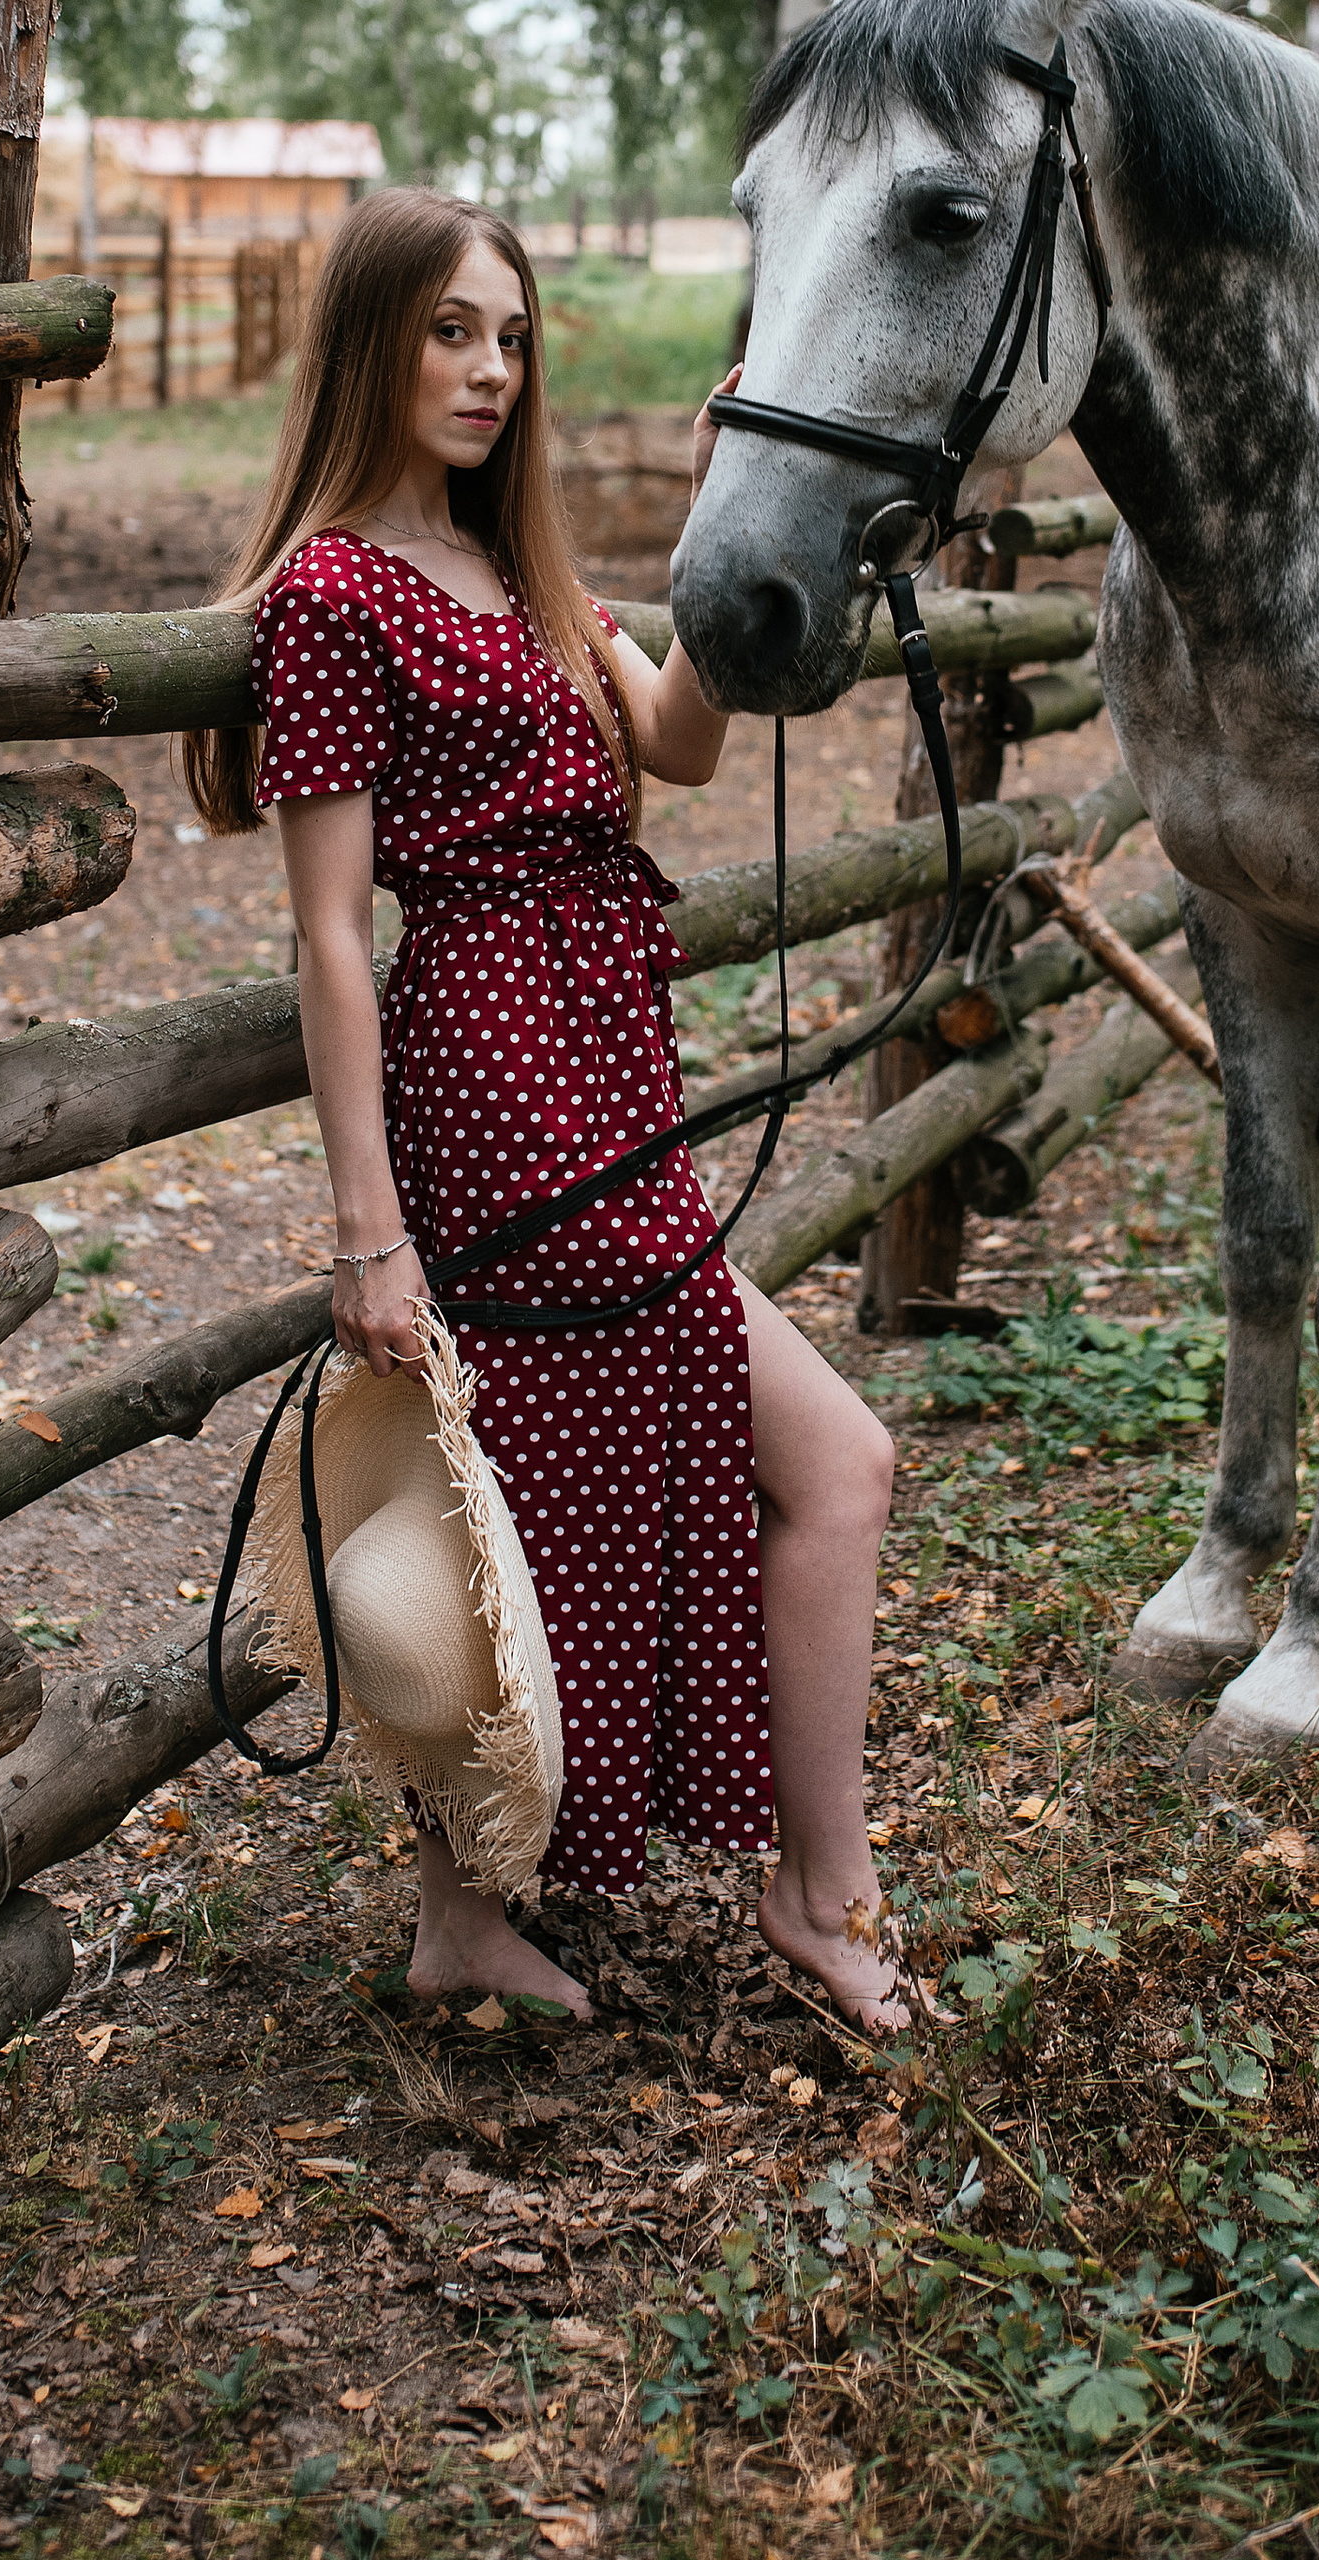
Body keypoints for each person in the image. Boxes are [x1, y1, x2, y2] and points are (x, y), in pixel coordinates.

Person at [184, 187, 908, 2032]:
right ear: (369, 343)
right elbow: (330, 937)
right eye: (449, 331)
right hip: (497, 1079)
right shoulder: (338, 596)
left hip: (609, 1061)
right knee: (573, 1478)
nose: (489, 369)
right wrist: (369, 1231)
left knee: (667, 1471)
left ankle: (689, 1899)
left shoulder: (521, 572)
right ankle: (717, 1899)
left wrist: (730, 510)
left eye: (509, 337)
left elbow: (678, 741)